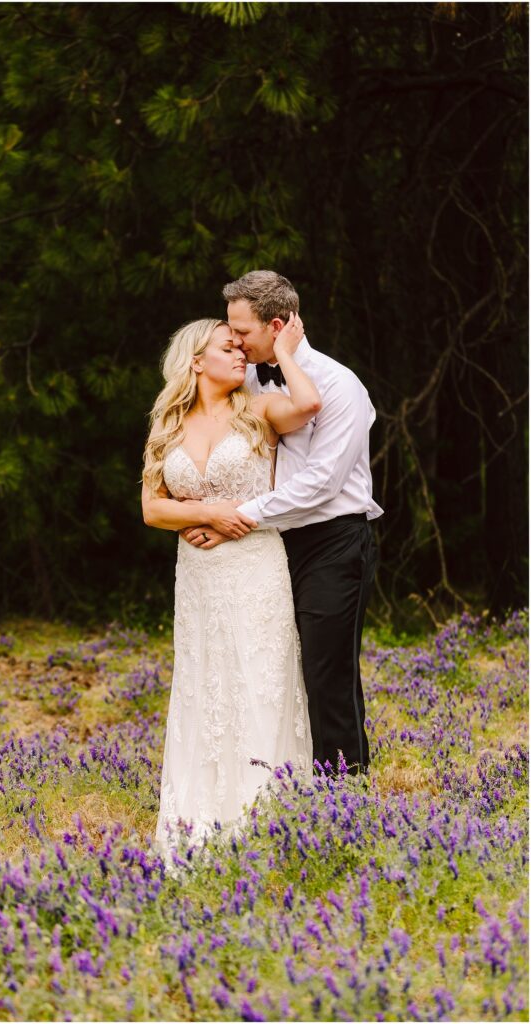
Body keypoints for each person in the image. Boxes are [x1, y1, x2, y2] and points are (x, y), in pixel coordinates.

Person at [183, 270, 383, 775]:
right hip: (266, 547)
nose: (234, 342)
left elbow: (321, 484)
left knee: (325, 672)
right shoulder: (242, 380)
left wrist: (237, 517)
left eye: (243, 333)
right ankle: (276, 787)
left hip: (333, 543)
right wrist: (207, 511)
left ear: (277, 326)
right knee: (273, 671)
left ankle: (345, 794)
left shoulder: (341, 386)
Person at [142, 314, 321, 851]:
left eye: (243, 347)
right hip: (197, 573)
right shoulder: (167, 423)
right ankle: (198, 823)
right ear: (197, 361)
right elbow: (152, 509)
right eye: (228, 347)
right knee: (204, 686)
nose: (241, 353)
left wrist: (285, 351)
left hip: (254, 566)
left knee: (258, 679)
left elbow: (309, 403)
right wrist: (209, 511)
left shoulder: (259, 409)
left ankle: (265, 822)